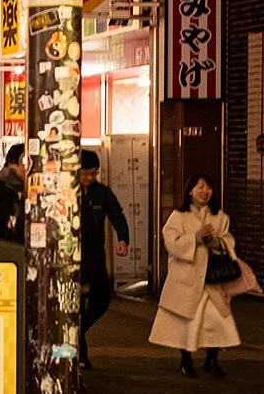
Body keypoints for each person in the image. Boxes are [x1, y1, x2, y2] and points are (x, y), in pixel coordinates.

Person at [150, 173, 240, 378]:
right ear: (190, 191)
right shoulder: (179, 217)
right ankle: (186, 360)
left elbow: (228, 242)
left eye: (208, 187)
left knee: (217, 320)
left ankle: (211, 360)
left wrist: (215, 242)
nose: (204, 191)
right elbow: (171, 243)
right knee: (187, 323)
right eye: (200, 187)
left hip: (211, 280)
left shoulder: (220, 217)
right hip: (186, 279)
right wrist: (196, 238)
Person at [77, 149, 132, 369]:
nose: (90, 178)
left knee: (101, 300)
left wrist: (123, 240)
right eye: (86, 173)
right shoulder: (67, 192)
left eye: (94, 173)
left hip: (95, 256)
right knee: (77, 304)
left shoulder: (102, 193)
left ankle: (76, 332)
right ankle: (80, 355)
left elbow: (117, 216)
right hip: (72, 257)